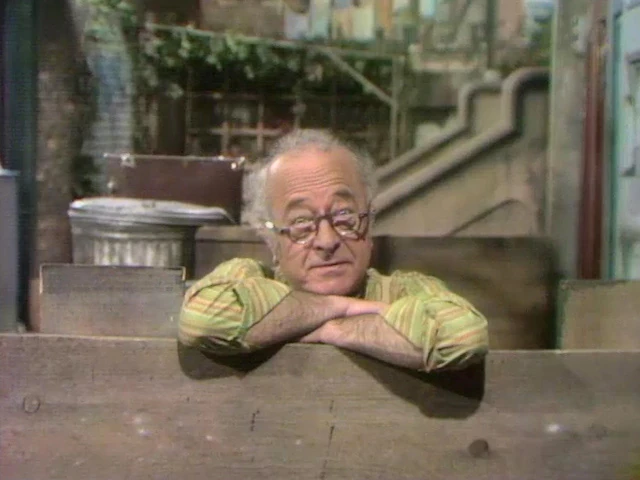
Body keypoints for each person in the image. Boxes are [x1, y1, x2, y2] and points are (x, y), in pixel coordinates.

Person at [179, 129, 488, 372]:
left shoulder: (405, 292)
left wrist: (333, 329)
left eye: (343, 216)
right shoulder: (246, 278)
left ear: (369, 224)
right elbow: (202, 320)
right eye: (301, 223)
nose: (327, 241)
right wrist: (339, 307)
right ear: (271, 238)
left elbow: (462, 336)